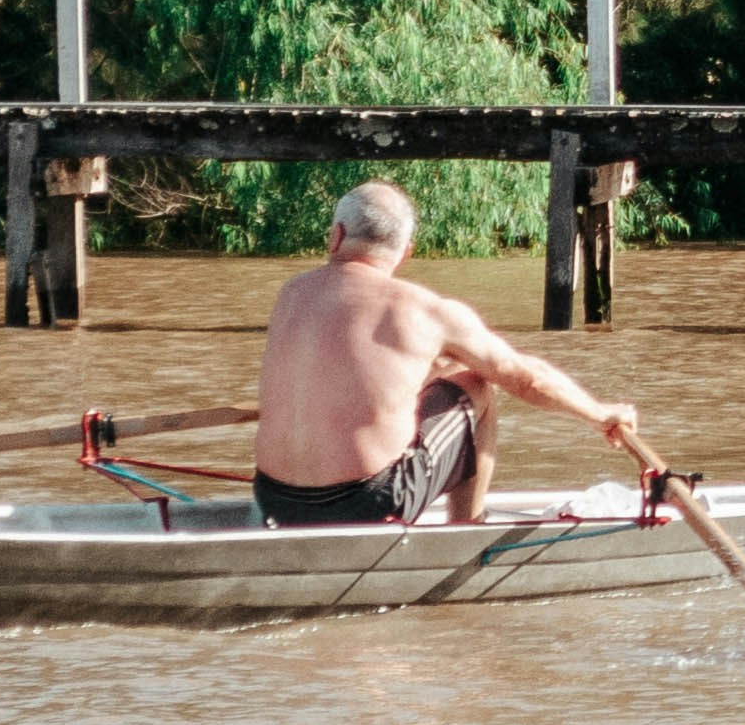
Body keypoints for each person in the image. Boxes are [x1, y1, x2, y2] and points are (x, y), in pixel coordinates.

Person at [253, 180, 636, 527]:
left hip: (272, 499)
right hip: (366, 501)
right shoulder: (427, 311)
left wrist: (431, 370)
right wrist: (600, 414)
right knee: (477, 383)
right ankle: (466, 527)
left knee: (443, 371)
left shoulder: (291, 295)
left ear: (336, 237)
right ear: (406, 252)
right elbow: (526, 378)